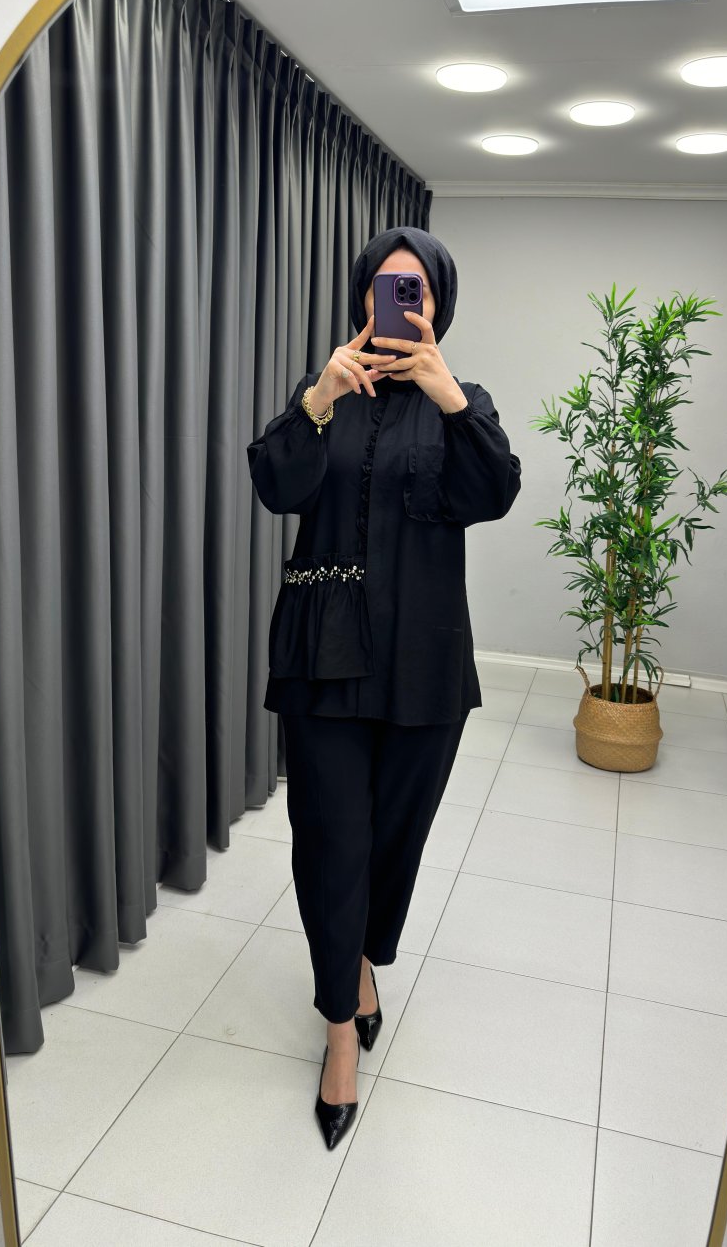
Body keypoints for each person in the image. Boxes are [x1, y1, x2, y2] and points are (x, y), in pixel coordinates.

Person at [246, 226, 522, 1149]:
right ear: (363, 298)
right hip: (325, 662)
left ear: (438, 304)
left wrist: (451, 400)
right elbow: (276, 484)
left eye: (418, 290)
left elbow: (494, 491)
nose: (401, 301)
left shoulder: (463, 402)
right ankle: (339, 1029)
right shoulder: (324, 390)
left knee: (396, 843)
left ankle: (364, 962)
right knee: (332, 844)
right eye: (385, 286)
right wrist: (319, 399)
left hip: (424, 666)